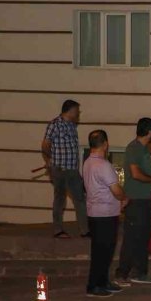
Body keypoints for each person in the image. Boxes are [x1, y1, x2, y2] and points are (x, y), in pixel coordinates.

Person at [115, 117, 151, 286]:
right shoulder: (134, 148)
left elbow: (148, 169)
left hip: (144, 199)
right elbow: (135, 173)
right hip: (135, 200)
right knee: (132, 237)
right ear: (149, 132)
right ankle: (122, 273)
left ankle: (140, 272)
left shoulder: (143, 150)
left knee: (143, 237)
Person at [81, 130, 127, 298]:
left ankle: (103, 281)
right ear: (105, 144)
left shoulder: (87, 163)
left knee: (102, 249)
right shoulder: (103, 165)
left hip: (94, 212)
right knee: (103, 251)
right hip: (105, 213)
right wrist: (124, 197)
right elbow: (115, 189)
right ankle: (94, 285)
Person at [41, 99, 89, 238]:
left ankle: (85, 230)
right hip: (60, 168)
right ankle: (58, 229)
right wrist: (48, 159)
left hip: (72, 169)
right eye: (77, 111)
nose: (78, 114)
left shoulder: (72, 126)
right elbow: (45, 144)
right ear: (70, 110)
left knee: (80, 198)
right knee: (60, 198)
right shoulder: (55, 125)